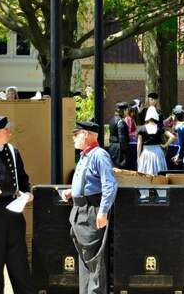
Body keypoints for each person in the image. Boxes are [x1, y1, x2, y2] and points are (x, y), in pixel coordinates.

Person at [62, 120, 117, 294]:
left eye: (75, 134)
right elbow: (90, 182)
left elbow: (109, 185)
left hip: (91, 211)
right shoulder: (86, 155)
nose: (74, 139)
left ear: (85, 134)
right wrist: (73, 191)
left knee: (94, 261)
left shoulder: (99, 155)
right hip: (80, 211)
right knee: (85, 260)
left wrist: (103, 212)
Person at [0, 116, 35, 294]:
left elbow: (23, 178)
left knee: (19, 261)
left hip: (14, 210)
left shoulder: (13, 151)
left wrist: (26, 192)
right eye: (5, 130)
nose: (9, 132)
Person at [137, 107, 173, 176]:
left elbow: (139, 144)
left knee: (145, 175)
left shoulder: (141, 129)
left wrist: (138, 157)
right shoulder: (160, 128)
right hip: (158, 153)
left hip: (146, 153)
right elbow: (172, 137)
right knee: (159, 175)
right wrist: (165, 145)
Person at [108, 102, 131, 169]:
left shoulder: (111, 120)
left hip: (112, 147)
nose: (127, 112)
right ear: (123, 111)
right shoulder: (121, 122)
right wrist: (126, 153)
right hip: (119, 150)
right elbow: (122, 139)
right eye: (127, 110)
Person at [124, 103, 139, 170]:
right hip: (132, 142)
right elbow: (129, 132)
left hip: (134, 142)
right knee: (133, 161)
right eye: (133, 111)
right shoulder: (128, 119)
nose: (134, 113)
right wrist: (135, 134)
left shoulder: (131, 119)